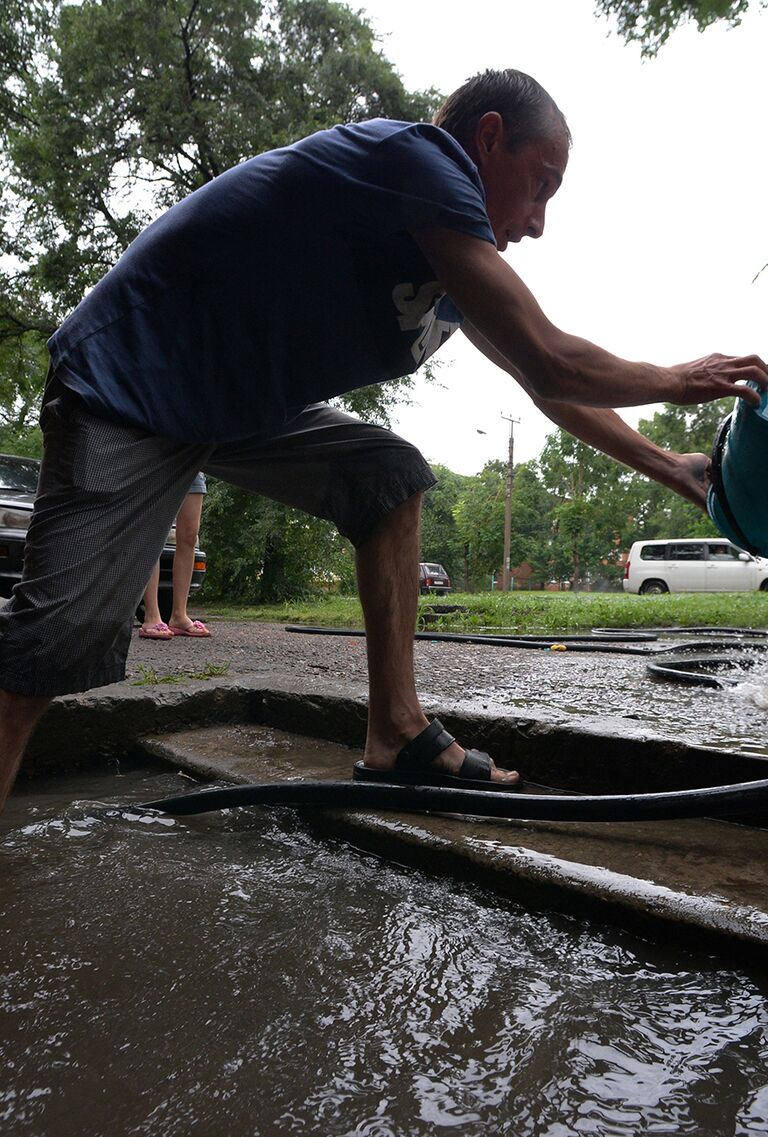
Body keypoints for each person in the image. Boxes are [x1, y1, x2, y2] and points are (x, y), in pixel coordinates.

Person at [0, 68, 766, 814]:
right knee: (49, 647)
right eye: (541, 185)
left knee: (388, 478)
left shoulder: (450, 259)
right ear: (488, 139)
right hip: (131, 377)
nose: (538, 222)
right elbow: (550, 358)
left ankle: (396, 732)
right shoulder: (420, 161)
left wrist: (674, 466)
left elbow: (546, 387)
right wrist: (680, 379)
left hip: (234, 406)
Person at [138, 473, 211, 640]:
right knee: (154, 535)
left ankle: (179, 616)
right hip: (158, 464)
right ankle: (151, 616)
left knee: (190, 536)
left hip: (193, 465)